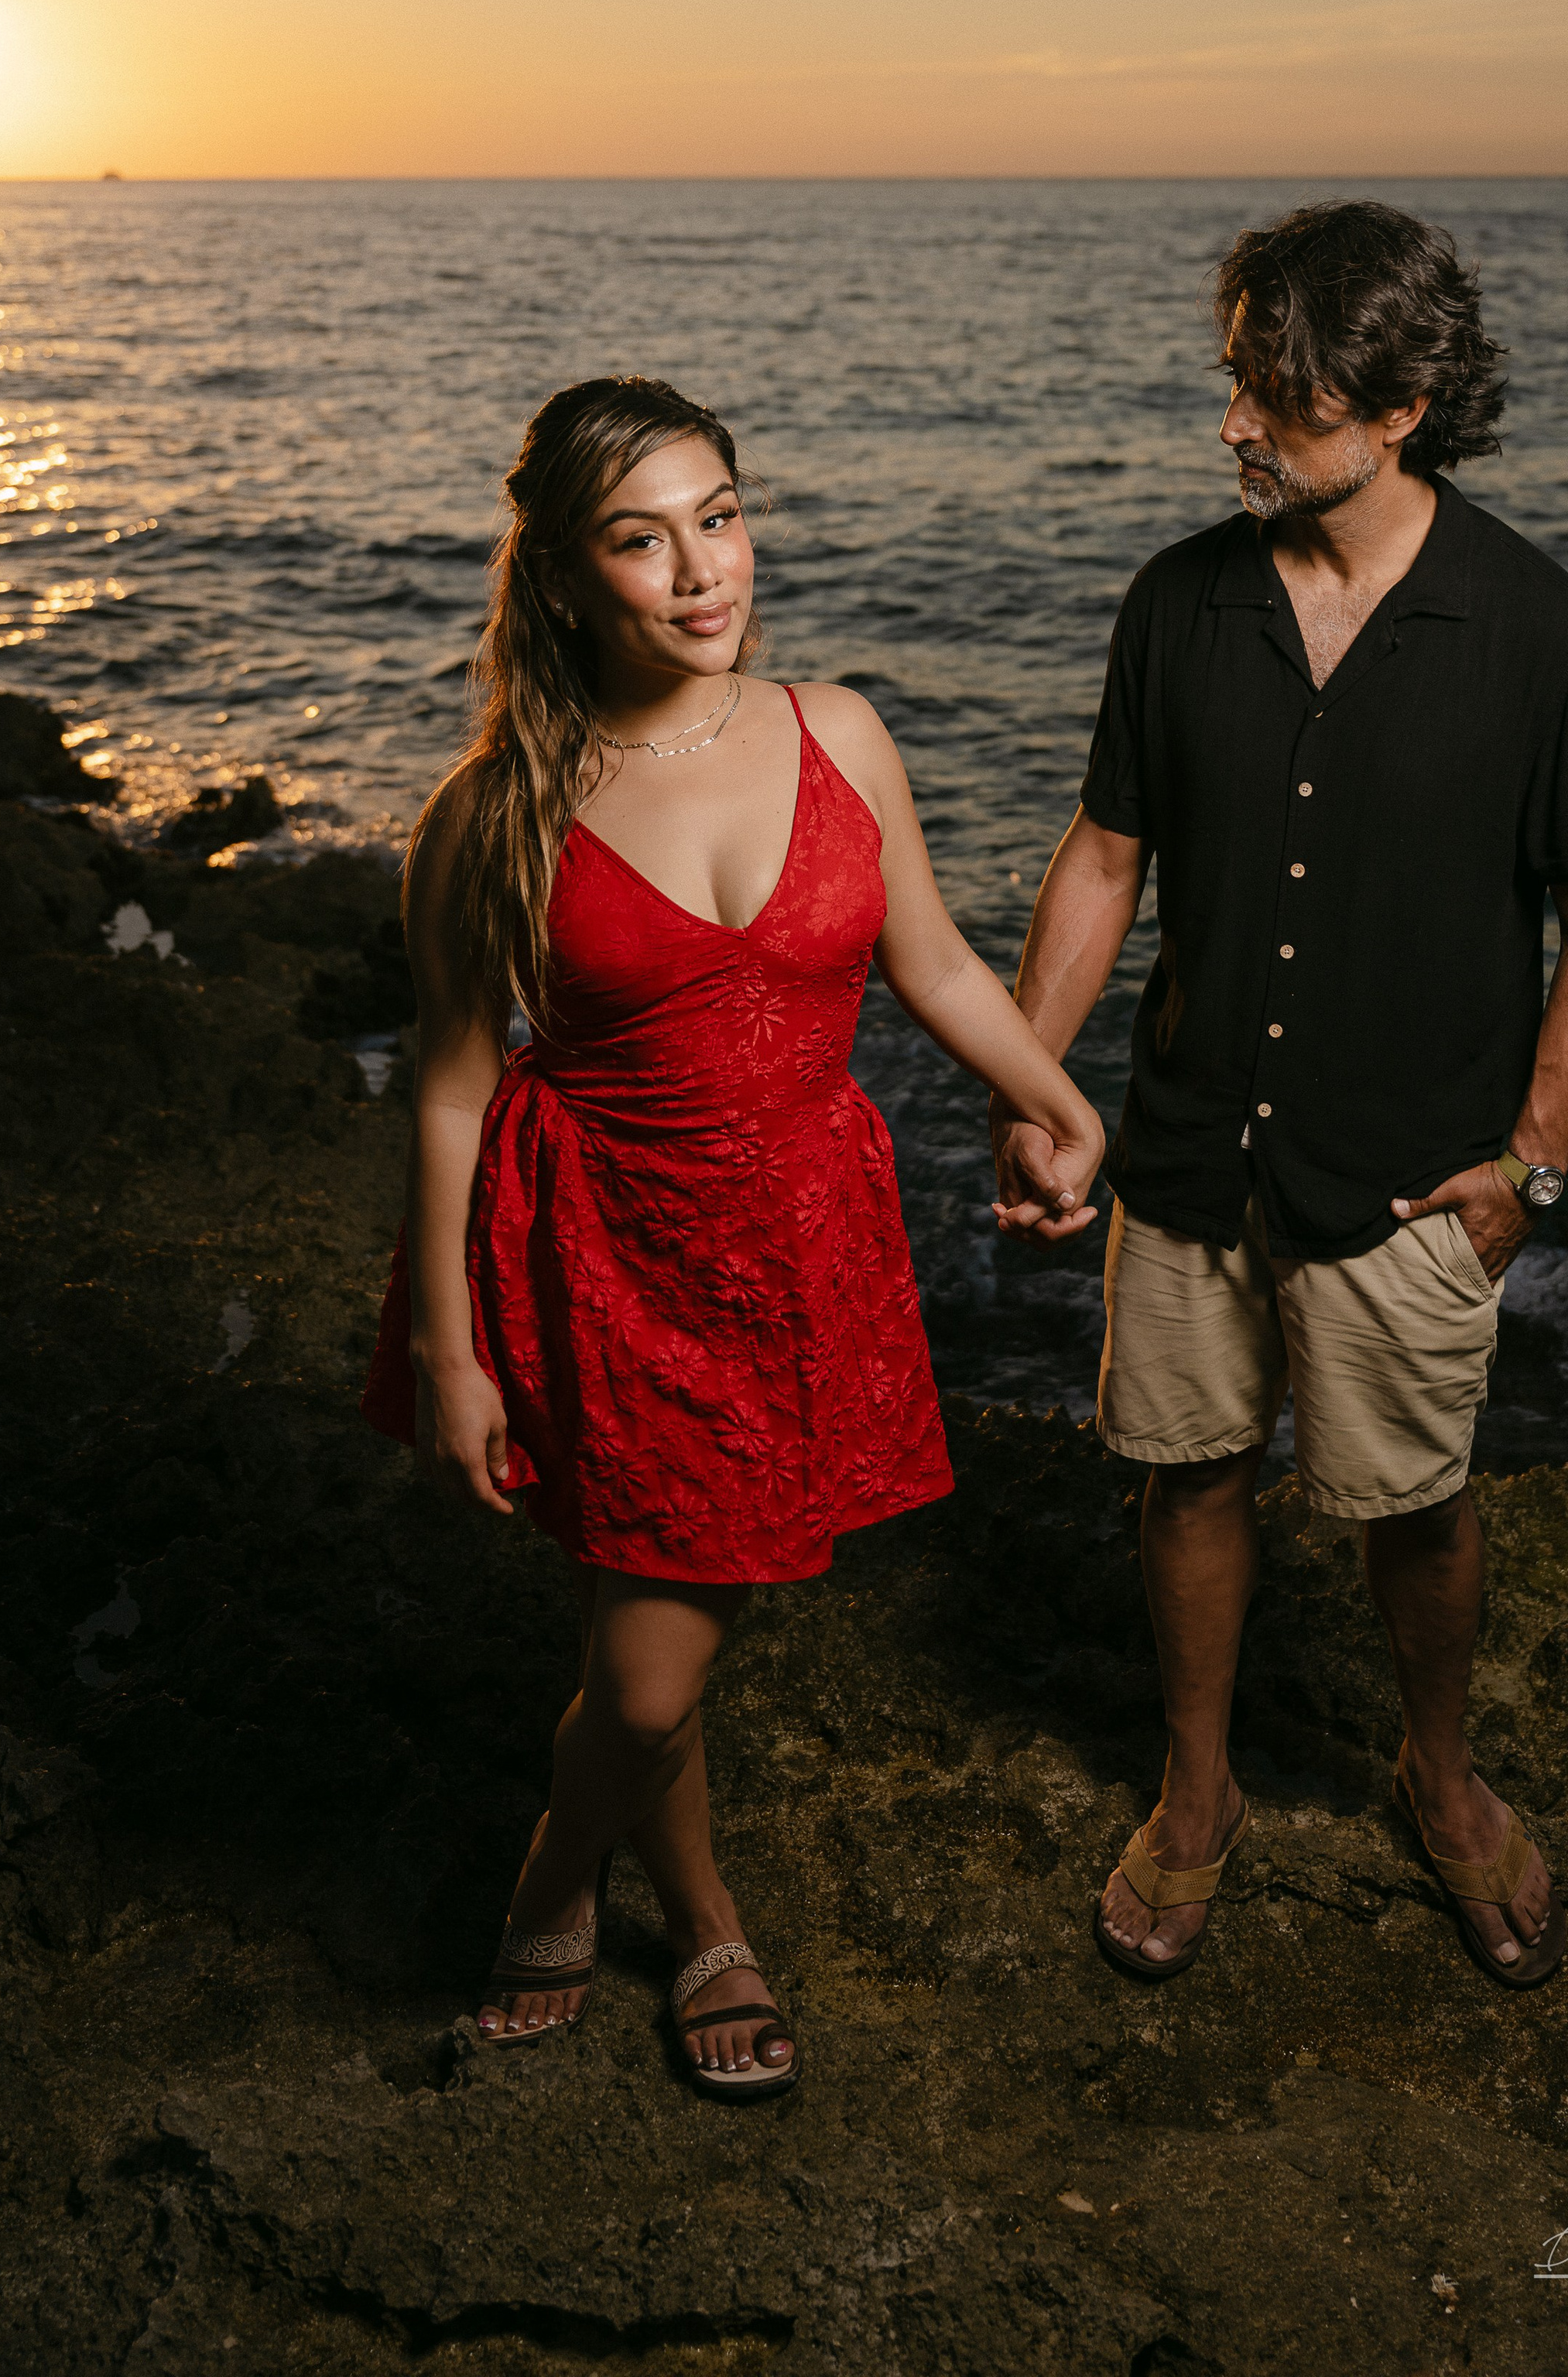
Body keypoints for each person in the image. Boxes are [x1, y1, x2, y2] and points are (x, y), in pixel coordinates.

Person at [363, 376, 1102, 2095]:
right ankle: (563, 1882)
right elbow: (455, 1093)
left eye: (721, 515)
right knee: (643, 1674)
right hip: (603, 1255)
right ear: (560, 577)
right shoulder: (491, 817)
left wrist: (1055, 1096)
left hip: (802, 1244)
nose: (702, 572)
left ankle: (696, 1921)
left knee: (667, 1618)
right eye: (642, 538)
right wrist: (446, 1352)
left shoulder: (836, 730)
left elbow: (922, 957)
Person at [991, 201, 1568, 1991]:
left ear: (1402, 399)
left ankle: (1437, 1783)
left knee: (1416, 1508)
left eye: (1276, 395)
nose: (1232, 428)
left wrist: (1533, 1161)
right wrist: (1036, 1087)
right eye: (1236, 383)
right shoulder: (1173, 604)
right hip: (1191, 1153)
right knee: (1182, 1480)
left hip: (1413, 1178)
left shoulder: (1540, 633)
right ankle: (1194, 1795)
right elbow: (1105, 856)